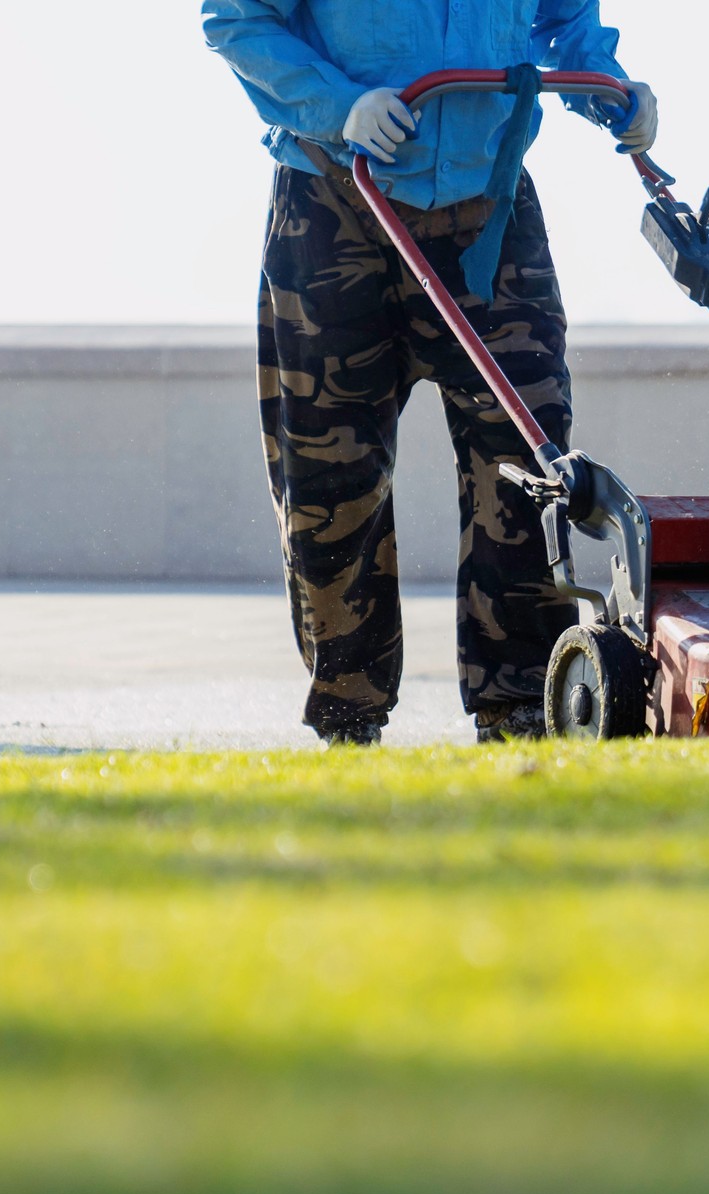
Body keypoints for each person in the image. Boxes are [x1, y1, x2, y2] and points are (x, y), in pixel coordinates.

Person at [201, 0, 657, 746]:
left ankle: (519, 712)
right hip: (335, 205)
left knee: (528, 461)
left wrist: (615, 92)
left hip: (490, 212)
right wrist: (340, 106)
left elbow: (567, 20)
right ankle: (349, 717)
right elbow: (236, 20)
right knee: (329, 479)